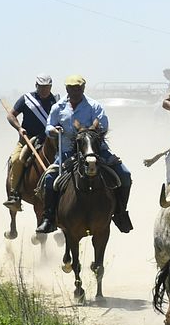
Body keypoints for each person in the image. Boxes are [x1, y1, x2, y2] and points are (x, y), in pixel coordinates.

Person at [36, 75, 133, 234]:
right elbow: (49, 127)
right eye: (72, 89)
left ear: (83, 89)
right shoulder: (58, 107)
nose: (76, 92)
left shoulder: (94, 106)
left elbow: (103, 125)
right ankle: (49, 218)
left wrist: (88, 131)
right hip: (67, 151)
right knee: (49, 179)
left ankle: (120, 213)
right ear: (66, 89)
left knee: (125, 175)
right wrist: (54, 131)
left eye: (79, 89)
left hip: (96, 150)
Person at [3, 74, 59, 210]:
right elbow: (11, 115)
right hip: (28, 139)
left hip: (51, 139)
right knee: (17, 159)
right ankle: (15, 194)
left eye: (47, 87)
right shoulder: (26, 99)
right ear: (36, 86)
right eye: (42, 87)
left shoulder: (57, 101)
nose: (45, 90)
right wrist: (19, 128)